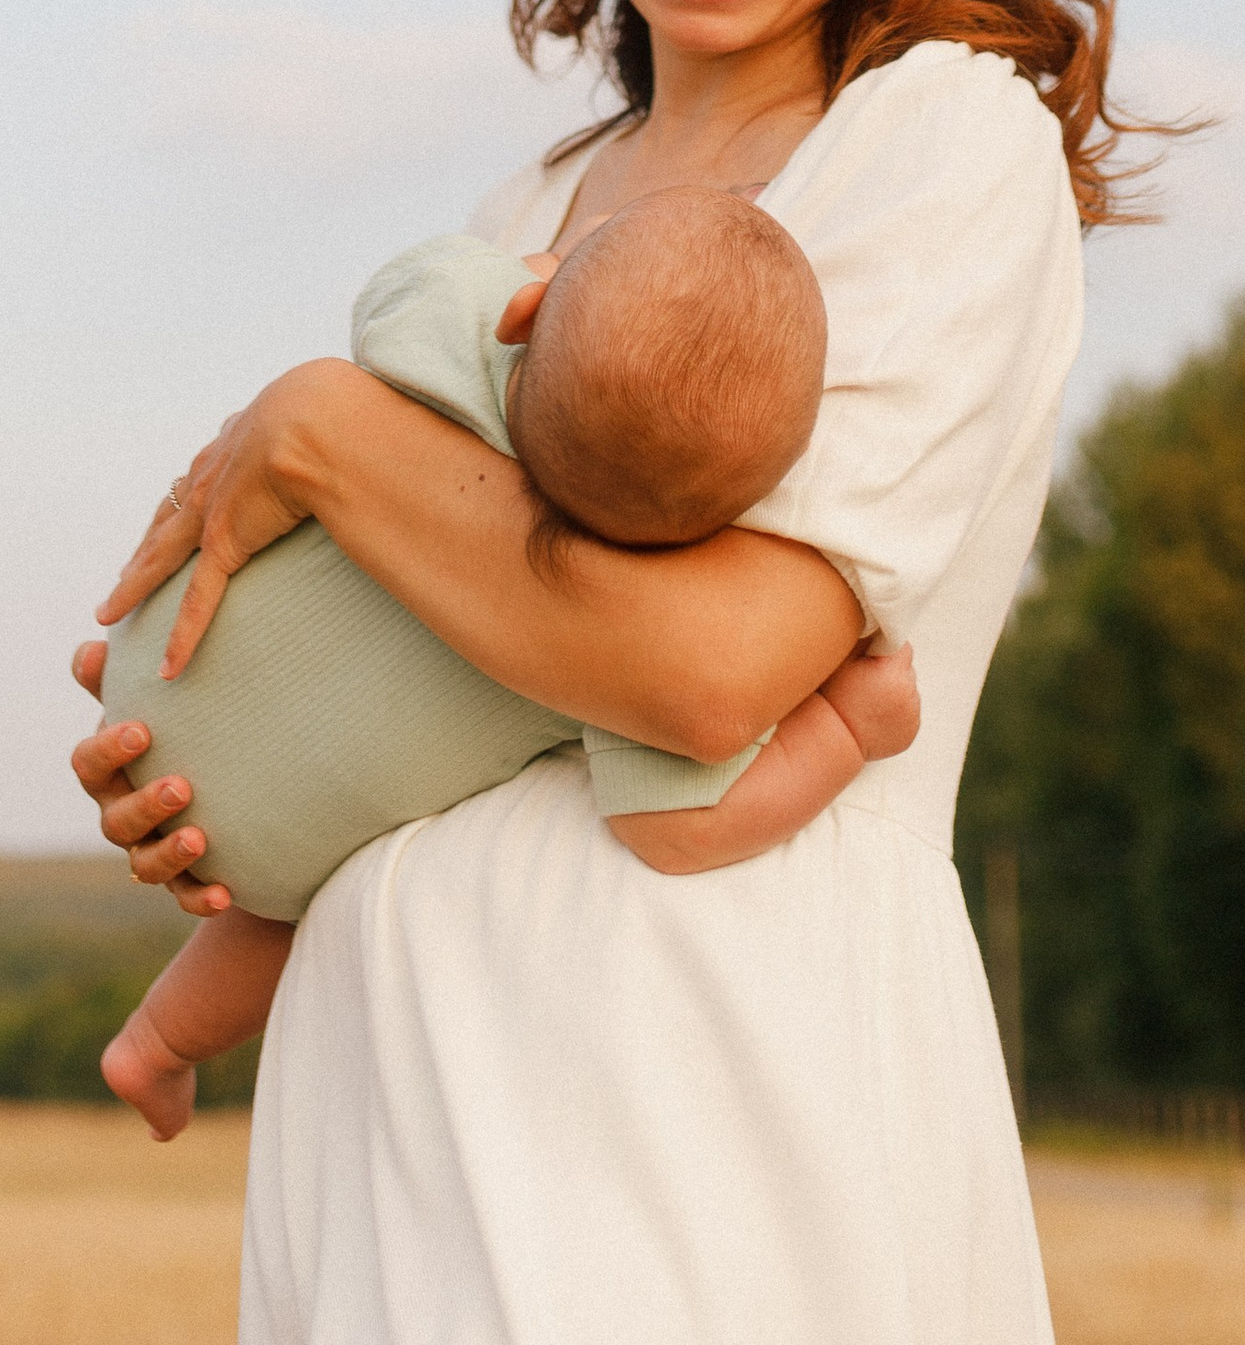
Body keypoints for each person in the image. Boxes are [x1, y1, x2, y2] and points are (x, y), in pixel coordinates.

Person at [71, 0, 1134, 1345]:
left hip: (705, 1099)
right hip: (392, 1099)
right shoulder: (529, 202)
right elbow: (419, 641)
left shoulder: (939, 144)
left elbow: (711, 667)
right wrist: (223, 783)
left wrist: (324, 432)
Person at [95, 196, 921, 1137]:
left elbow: (401, 284)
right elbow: (677, 825)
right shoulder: (627, 629)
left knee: (329, 872)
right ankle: (156, 1042)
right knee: (299, 899)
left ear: (523, 317)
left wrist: (546, 267)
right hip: (260, 854)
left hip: (150, 665)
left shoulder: (452, 335)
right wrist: (850, 729)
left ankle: (150, 1042)